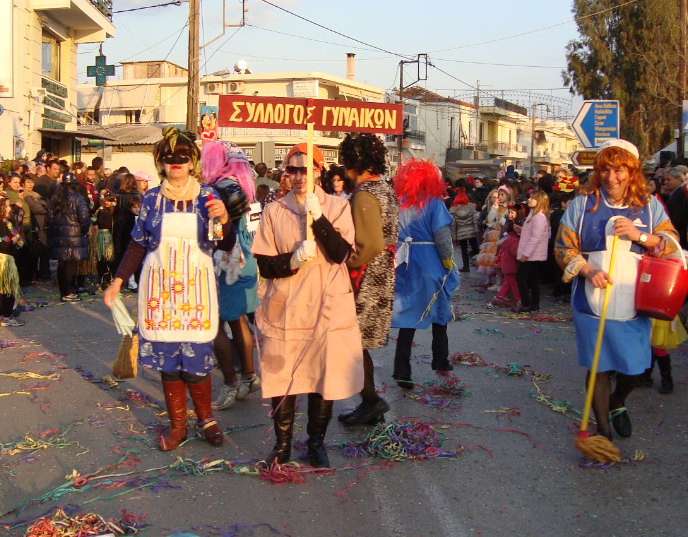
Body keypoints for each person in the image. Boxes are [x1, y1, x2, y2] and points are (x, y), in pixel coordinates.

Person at [103, 127, 234, 451]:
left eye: (183, 157)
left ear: (192, 162)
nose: (176, 162)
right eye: (169, 157)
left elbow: (227, 242)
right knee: (168, 363)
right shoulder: (151, 199)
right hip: (160, 292)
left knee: (197, 361)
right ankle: (178, 426)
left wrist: (226, 219)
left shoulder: (208, 198)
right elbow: (137, 244)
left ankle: (206, 419)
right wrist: (118, 281)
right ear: (161, 162)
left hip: (195, 293)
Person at [554, 139, 678, 441]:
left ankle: (617, 402)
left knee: (634, 369)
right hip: (590, 302)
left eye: (619, 170)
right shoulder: (583, 204)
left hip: (633, 302)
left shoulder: (649, 206)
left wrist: (642, 236)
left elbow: (672, 245)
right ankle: (602, 431)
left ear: (632, 171)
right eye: (606, 170)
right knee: (598, 366)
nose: (612, 177)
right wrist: (587, 270)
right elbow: (563, 247)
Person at [251, 142, 362, 467]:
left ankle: (316, 444)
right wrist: (292, 259)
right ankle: (282, 444)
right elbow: (265, 265)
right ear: (286, 173)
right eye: (293, 169)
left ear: (319, 171)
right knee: (281, 378)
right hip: (286, 308)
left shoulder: (338, 207)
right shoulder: (274, 211)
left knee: (320, 377)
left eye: (307, 169)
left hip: (325, 310)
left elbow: (342, 254)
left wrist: (319, 217)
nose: (300, 176)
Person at [338, 133, 399, 427]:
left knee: (352, 343)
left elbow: (370, 243)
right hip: (382, 273)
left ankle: (372, 401)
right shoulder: (384, 189)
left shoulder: (364, 195)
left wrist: (345, 262)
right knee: (357, 344)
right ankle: (368, 403)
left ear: (354, 164)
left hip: (366, 278)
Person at [200, 141, 261, 411]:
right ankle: (248, 377)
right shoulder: (246, 188)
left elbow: (216, 236)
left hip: (225, 262)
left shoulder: (218, 190)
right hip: (247, 261)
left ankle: (231, 382)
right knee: (238, 322)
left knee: (214, 325)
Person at [390, 159, 459, 388]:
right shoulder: (434, 203)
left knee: (408, 318)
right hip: (429, 261)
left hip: (406, 262)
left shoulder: (400, 203)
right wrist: (448, 262)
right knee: (439, 312)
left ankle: (401, 371)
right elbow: (442, 238)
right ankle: (440, 360)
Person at [47, 173, 91, 302]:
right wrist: (85, 229)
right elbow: (84, 217)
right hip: (74, 235)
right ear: (75, 185)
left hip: (59, 234)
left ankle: (63, 291)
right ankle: (68, 292)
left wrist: (53, 230)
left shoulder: (55, 198)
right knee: (70, 264)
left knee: (62, 264)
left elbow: (49, 218)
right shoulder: (78, 198)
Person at [514, 191, 550, 313]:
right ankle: (534, 303)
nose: (529, 199)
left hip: (531, 254)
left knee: (521, 277)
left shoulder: (539, 217)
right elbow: (531, 233)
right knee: (532, 278)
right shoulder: (534, 214)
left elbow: (535, 238)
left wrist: (525, 254)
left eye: (532, 198)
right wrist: (521, 230)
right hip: (532, 253)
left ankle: (526, 303)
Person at [476, 186, 510, 288]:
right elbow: (490, 220)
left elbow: (507, 223)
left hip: (504, 234)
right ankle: (498, 281)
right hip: (494, 234)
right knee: (495, 258)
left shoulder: (509, 207)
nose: (499, 197)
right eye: (498, 195)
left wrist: (500, 219)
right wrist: (494, 208)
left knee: (502, 258)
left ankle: (503, 282)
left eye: (502, 195)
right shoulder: (496, 206)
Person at [0, 192, 24, 327]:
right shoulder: (1, 225)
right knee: (7, 289)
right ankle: (7, 317)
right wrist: (15, 239)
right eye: (7, 206)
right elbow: (4, 244)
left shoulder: (6, 223)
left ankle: (4, 315)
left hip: (6, 258)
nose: (9, 209)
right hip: (3, 261)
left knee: (3, 290)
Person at [486, 220, 521, 308]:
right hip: (511, 265)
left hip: (507, 264)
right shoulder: (515, 240)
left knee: (508, 283)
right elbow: (515, 253)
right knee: (512, 283)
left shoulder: (507, 238)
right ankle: (518, 299)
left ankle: (498, 298)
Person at [6, 173, 32, 286]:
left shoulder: (16, 194)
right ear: (9, 183)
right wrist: (18, 208)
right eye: (14, 182)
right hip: (16, 228)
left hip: (21, 227)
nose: (17, 184)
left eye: (18, 182)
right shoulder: (9, 194)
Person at [449, 188, 479, 272]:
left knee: (464, 250)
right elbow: (475, 219)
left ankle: (466, 267)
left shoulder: (454, 211)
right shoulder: (471, 208)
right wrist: (476, 229)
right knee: (475, 249)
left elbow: (453, 225)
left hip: (461, 232)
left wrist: (454, 237)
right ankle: (479, 265)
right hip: (471, 230)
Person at [95, 189, 117, 289]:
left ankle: (104, 280)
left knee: (104, 259)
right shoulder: (110, 212)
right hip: (107, 236)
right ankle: (107, 279)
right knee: (107, 258)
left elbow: (98, 223)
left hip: (104, 235)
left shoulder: (102, 212)